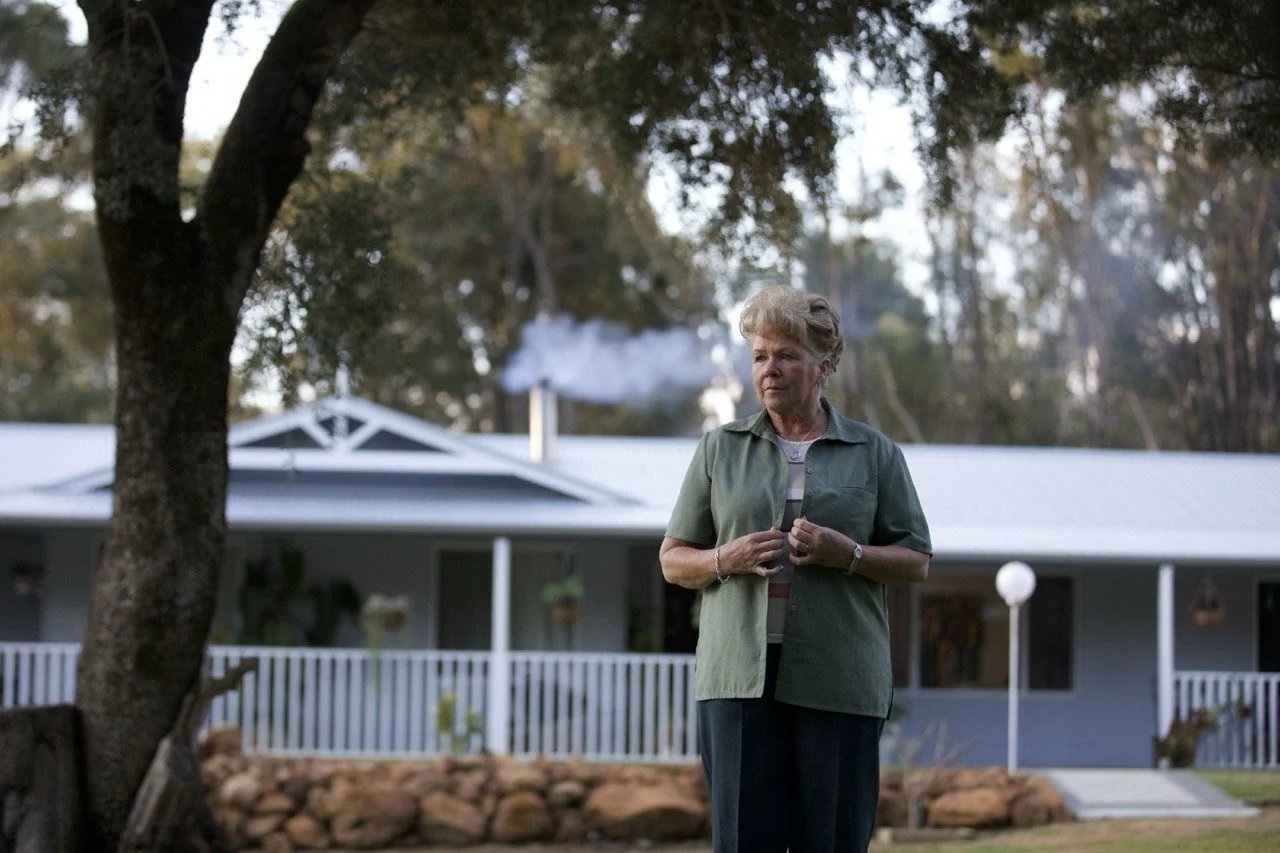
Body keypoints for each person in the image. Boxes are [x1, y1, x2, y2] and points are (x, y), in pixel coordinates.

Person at [660, 284, 932, 853]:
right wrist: (724, 559)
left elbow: (915, 560)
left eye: (787, 355)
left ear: (824, 365)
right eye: (760, 356)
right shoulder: (719, 449)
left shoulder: (875, 452)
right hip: (737, 680)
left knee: (831, 841)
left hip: (839, 678)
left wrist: (850, 554)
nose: (770, 369)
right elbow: (672, 558)